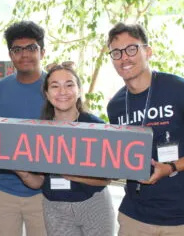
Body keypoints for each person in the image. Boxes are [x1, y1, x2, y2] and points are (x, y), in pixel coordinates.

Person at [106, 22, 184, 235]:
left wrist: (172, 167)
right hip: (133, 217)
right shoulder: (115, 105)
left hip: (180, 220)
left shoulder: (182, 90)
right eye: (116, 52)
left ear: (148, 51)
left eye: (131, 49)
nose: (124, 58)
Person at [16, 64, 115, 236]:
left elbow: (106, 179)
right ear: (46, 94)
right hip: (55, 207)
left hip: (94, 203)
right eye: (55, 86)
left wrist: (72, 174)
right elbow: (39, 182)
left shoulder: (97, 127)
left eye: (69, 85)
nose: (63, 91)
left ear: (79, 90)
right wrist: (23, 173)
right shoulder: (38, 131)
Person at [0, 20, 47, 236]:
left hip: (44, 192)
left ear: (42, 52)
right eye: (17, 50)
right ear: (11, 55)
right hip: (2, 190)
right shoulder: (0, 88)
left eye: (31, 48)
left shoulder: (56, 87)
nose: (24, 55)